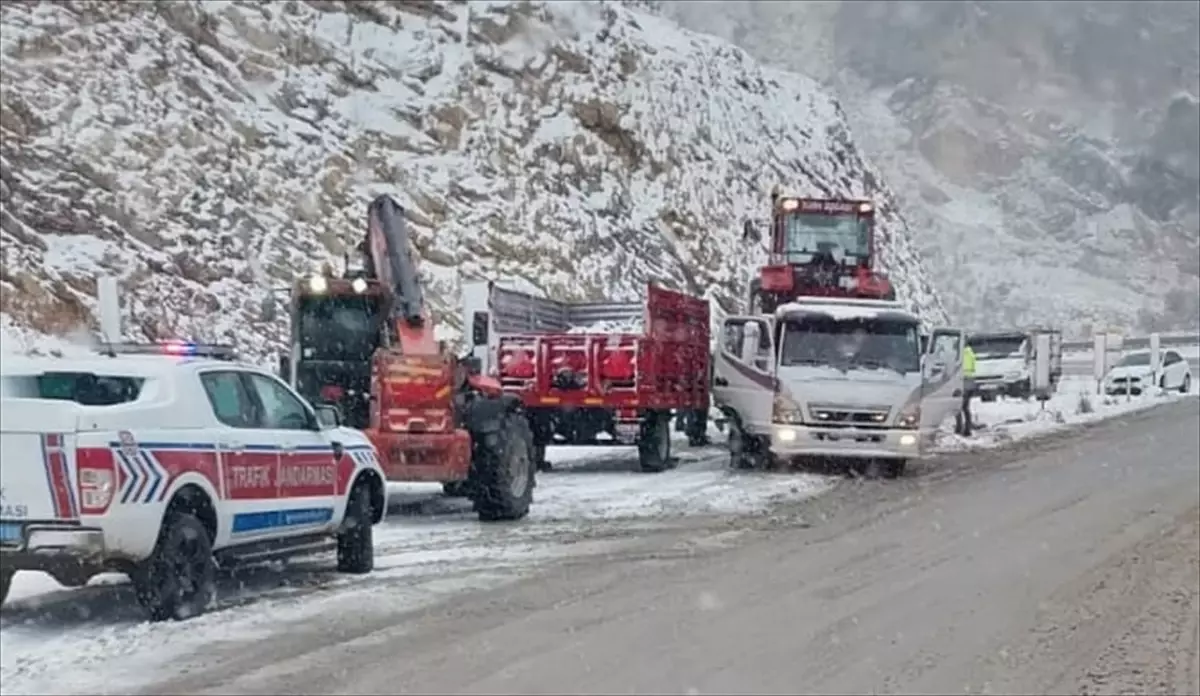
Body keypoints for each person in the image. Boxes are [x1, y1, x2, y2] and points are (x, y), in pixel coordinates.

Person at [957, 343, 978, 436]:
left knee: (958, 406)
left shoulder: (961, 354)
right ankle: (967, 428)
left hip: (963, 382)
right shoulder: (971, 353)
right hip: (970, 382)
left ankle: (959, 428)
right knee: (965, 407)